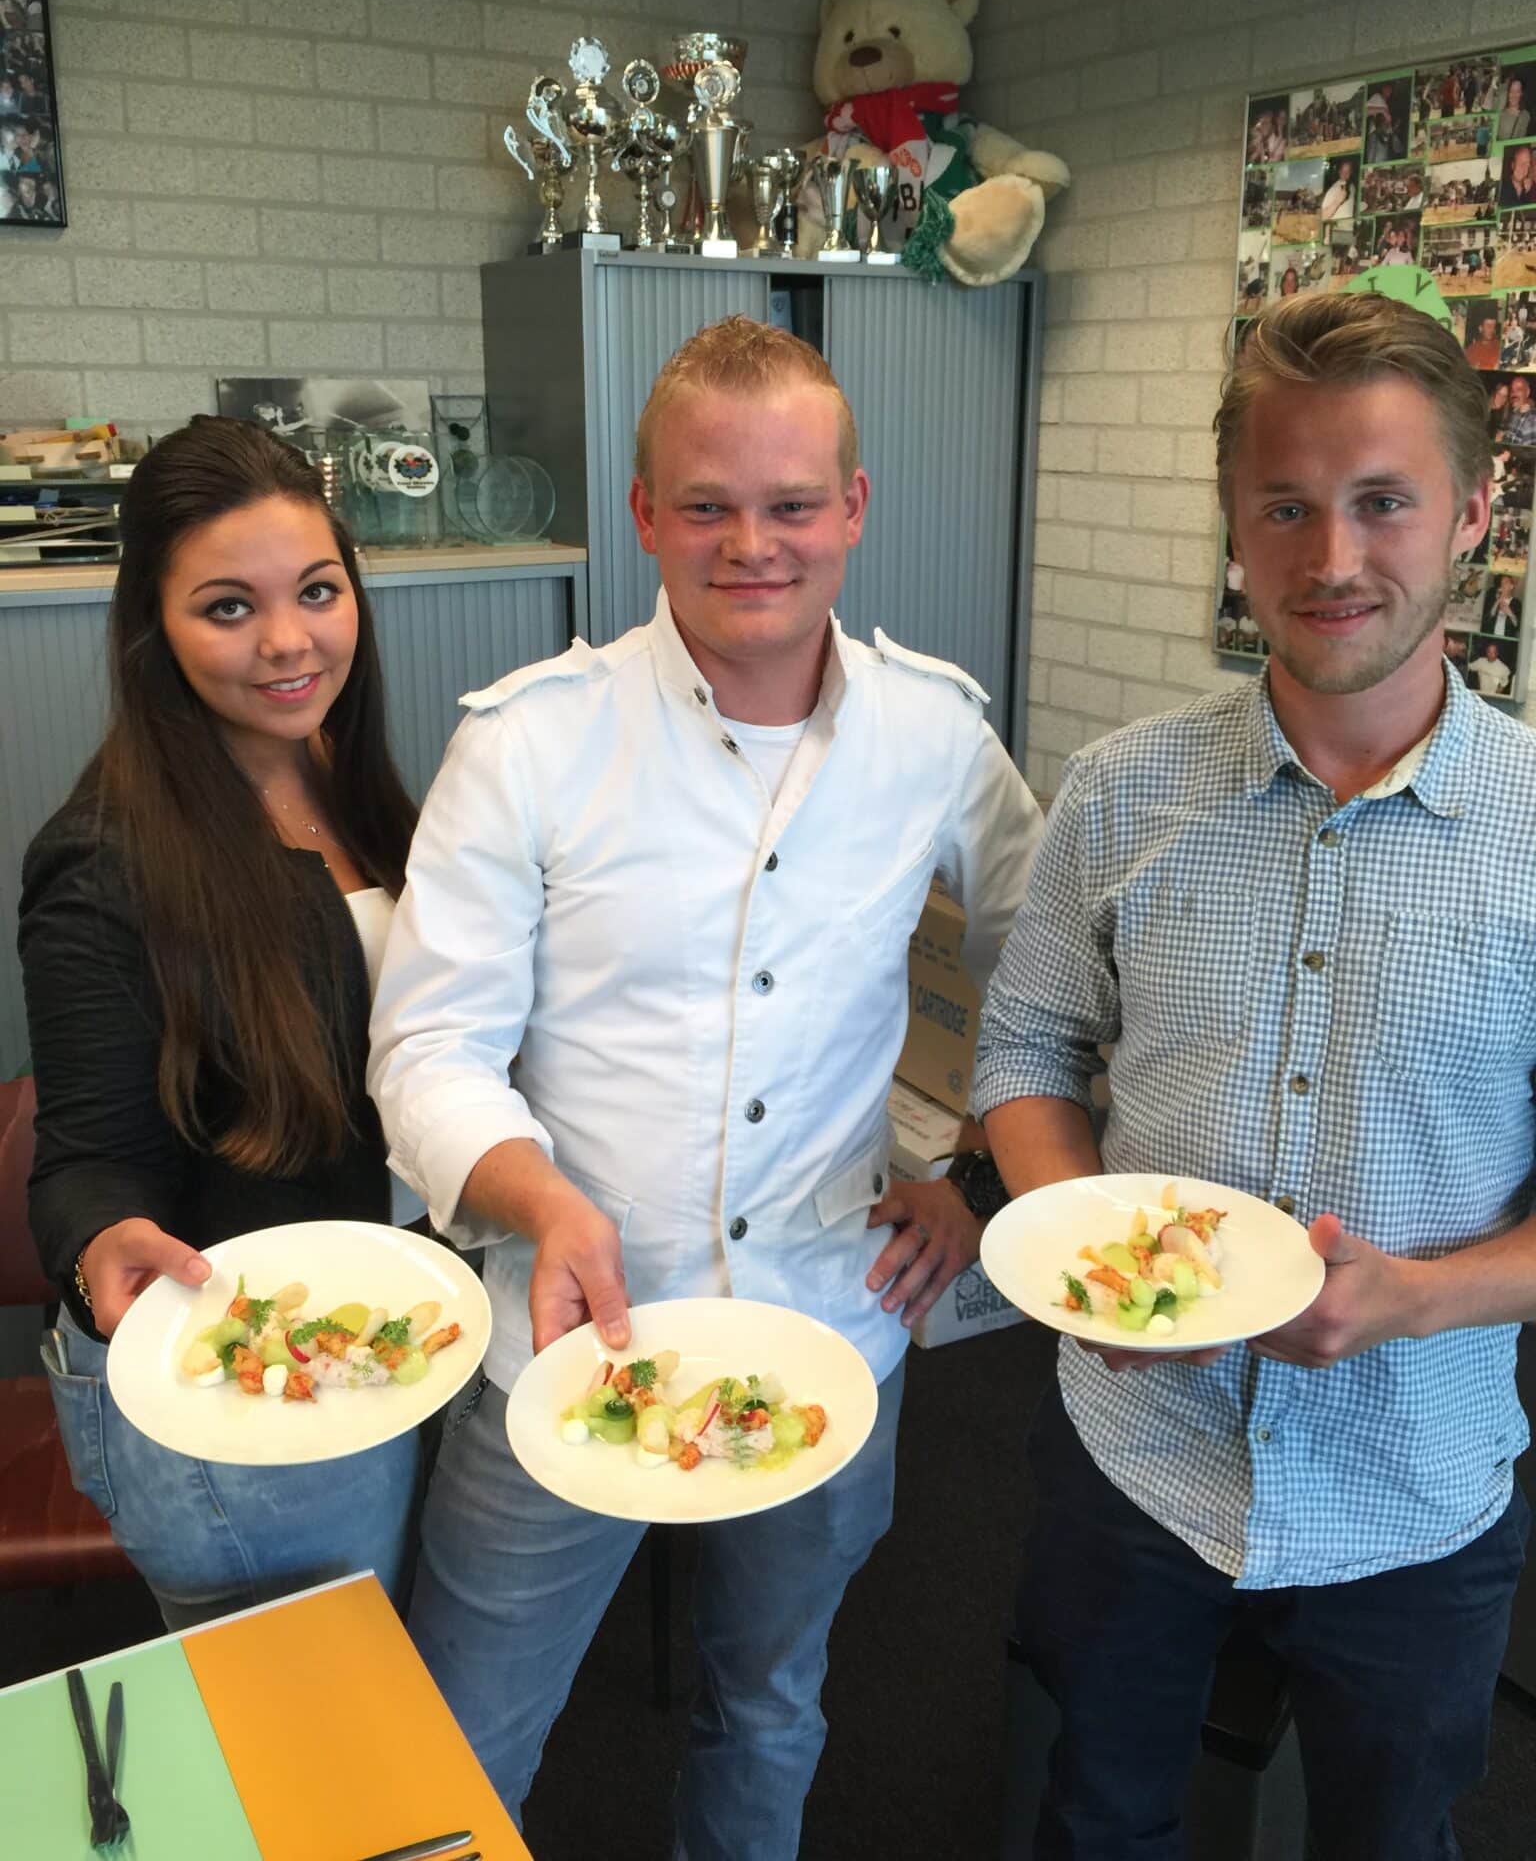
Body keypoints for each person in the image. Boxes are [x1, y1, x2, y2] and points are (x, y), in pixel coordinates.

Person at [367, 317, 1044, 1853]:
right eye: (708, 506)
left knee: (773, 1703)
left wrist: (973, 1173)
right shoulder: (533, 742)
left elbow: (1049, 966)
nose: (753, 544)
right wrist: (540, 1199)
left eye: (792, 504)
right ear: (644, 515)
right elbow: (427, 1044)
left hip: (830, 1327)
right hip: (566, 1343)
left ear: (852, 509)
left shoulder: (934, 733)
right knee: (456, 1753)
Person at [976, 290, 1533, 1861]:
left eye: (1383, 501)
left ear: (1475, 513)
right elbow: (1025, 1051)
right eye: (1284, 506)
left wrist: (1419, 1297)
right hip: (1135, 1461)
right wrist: (1081, 1255)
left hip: (1414, 1487)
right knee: (1099, 1816)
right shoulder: (1122, 790)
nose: (1332, 556)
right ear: (1232, 520)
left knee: (1390, 1840)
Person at [21, 416, 422, 1631]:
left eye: (317, 590)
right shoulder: (105, 860)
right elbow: (84, 1161)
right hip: (234, 1380)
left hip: (367, 1330)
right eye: (229, 607)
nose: (290, 639)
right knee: (311, 1721)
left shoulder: (345, 777)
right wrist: (100, 1240)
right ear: (153, 627)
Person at [1480, 571, 1521, 637]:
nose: (1503, 585)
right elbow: (1485, 620)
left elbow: (1517, 625)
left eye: (1506, 582)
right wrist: (1497, 601)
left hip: (1506, 639)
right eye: (1502, 583)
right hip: (1490, 637)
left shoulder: (1516, 603)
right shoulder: (1492, 600)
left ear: (1511, 586)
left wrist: (1509, 612)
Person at [1497, 76, 1531, 143]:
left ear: (1521, 93)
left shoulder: (1525, 115)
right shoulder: (1500, 112)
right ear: (1508, 93)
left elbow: (1520, 140)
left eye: (1517, 91)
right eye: (1511, 91)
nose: (1514, 95)